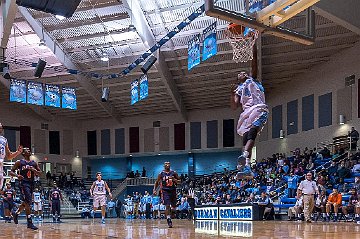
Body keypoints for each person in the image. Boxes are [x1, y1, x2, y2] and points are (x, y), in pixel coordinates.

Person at [230, 50, 268, 179]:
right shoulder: (238, 89)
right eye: (240, 73)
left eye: (243, 72)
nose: (242, 73)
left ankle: (245, 155)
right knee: (246, 137)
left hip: (258, 108)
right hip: (246, 113)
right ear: (238, 79)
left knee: (252, 132)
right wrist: (232, 93)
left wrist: (254, 49)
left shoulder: (253, 79)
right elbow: (234, 106)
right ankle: (247, 167)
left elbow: (254, 65)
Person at [10, 147, 41, 230]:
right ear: (23, 153)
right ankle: (29, 222)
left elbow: (40, 173)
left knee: (27, 201)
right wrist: (17, 176)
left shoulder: (34, 163)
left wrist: (34, 170)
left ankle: (16, 213)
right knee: (28, 202)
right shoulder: (19, 162)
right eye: (27, 150)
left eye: (29, 149)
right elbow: (11, 171)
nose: (29, 150)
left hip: (31, 183)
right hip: (23, 183)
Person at [153, 161, 181, 228]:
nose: (167, 165)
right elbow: (156, 182)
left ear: (170, 165)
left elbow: (180, 182)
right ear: (164, 166)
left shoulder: (174, 173)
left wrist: (174, 180)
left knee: (174, 206)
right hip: (165, 191)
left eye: (168, 164)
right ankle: (169, 220)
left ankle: (171, 213)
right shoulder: (161, 174)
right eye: (166, 164)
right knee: (167, 205)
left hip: (173, 190)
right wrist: (154, 190)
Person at [0, 122, 23, 189]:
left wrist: (17, 152)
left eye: (1, 127)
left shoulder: (4, 140)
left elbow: (9, 156)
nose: (1, 128)